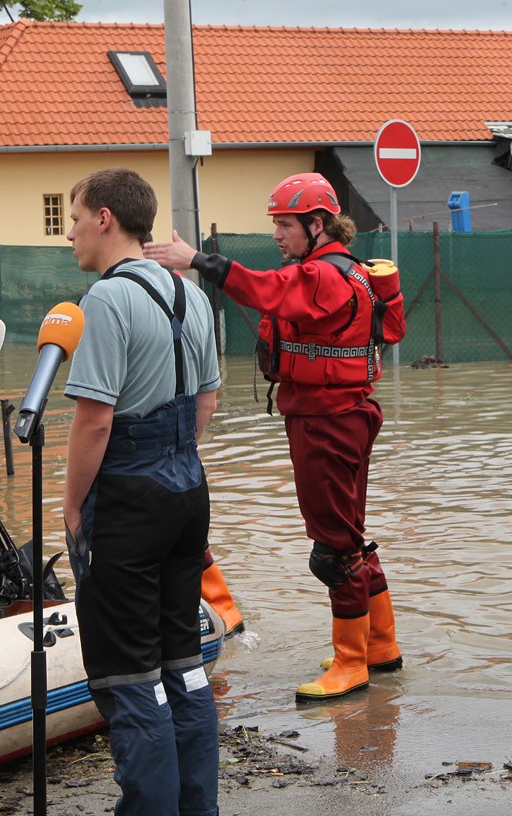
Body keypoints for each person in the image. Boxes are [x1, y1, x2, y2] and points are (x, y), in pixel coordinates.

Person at [144, 173, 402, 702]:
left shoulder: (325, 276)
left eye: (285, 224)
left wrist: (196, 260)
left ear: (317, 224)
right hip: (341, 413)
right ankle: (380, 647)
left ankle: (351, 664)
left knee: (333, 550)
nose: (278, 235)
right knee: (348, 535)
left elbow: (266, 290)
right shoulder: (349, 271)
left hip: (327, 420)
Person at [62, 167, 221, 816]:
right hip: (187, 489)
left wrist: (73, 505)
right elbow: (206, 399)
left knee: (130, 679)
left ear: (105, 217)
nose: (68, 232)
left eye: (73, 217)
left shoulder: (103, 300)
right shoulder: (192, 294)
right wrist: (174, 455)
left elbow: (94, 419)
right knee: (182, 665)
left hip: (127, 497)